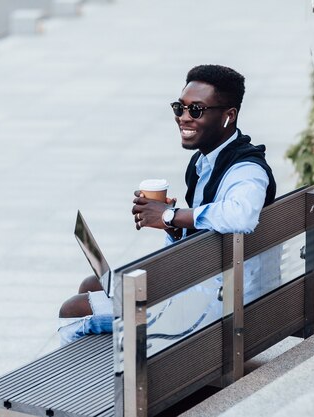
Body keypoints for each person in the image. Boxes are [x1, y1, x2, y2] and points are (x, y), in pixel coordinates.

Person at [58, 64, 277, 346]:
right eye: (179, 108)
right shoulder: (205, 161)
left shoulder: (247, 170)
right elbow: (209, 229)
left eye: (196, 110)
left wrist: (173, 215)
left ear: (228, 116)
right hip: (205, 282)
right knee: (93, 284)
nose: (184, 118)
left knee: (73, 310)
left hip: (216, 307)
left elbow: (241, 216)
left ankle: (96, 381)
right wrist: (174, 227)